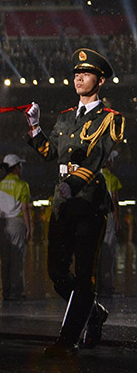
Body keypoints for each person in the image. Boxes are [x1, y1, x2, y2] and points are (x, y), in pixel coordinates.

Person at [25, 48, 124, 356]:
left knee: (84, 274)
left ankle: (66, 340)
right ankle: (93, 312)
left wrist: (74, 182)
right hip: (63, 201)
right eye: (76, 73)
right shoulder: (66, 118)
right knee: (56, 270)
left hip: (89, 201)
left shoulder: (111, 119)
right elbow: (49, 153)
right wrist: (35, 128)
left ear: (100, 79)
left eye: (86, 73)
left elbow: (98, 157)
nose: (79, 77)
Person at [0, 154, 32, 301]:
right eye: (20, 165)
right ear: (15, 167)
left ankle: (6, 291)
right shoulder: (22, 185)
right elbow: (25, 209)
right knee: (17, 259)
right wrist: (29, 228)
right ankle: (16, 292)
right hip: (17, 223)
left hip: (3, 224)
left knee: (5, 260)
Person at [98, 150, 122, 298]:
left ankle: (97, 286)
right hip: (108, 217)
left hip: (97, 218)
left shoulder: (96, 177)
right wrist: (117, 220)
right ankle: (107, 287)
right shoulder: (112, 179)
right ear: (109, 162)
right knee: (108, 254)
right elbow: (115, 202)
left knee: (98, 252)